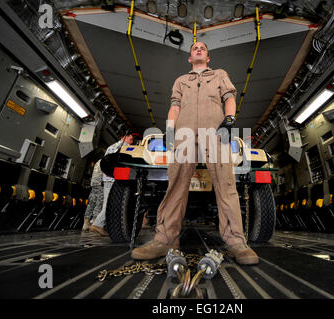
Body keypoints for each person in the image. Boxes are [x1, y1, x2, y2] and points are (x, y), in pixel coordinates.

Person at [131, 41, 259, 265]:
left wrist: (229, 119)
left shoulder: (219, 75)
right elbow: (175, 106)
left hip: (216, 132)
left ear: (208, 58)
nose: (198, 49)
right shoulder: (181, 80)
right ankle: (165, 239)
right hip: (184, 134)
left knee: (226, 184)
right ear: (190, 58)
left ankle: (236, 242)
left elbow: (229, 97)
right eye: (194, 48)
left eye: (202, 48)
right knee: (176, 184)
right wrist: (170, 131)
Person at [90, 133, 134, 236]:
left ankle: (99, 224)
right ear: (123, 137)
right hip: (112, 179)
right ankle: (97, 224)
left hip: (110, 179)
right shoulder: (121, 147)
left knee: (109, 203)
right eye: (130, 139)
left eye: (132, 140)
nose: (131, 142)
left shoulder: (114, 147)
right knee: (109, 203)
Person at [82, 159, 103, 231]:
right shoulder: (106, 161)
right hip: (100, 184)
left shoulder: (98, 161)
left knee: (91, 204)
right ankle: (95, 224)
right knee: (99, 204)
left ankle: (86, 223)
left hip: (94, 184)